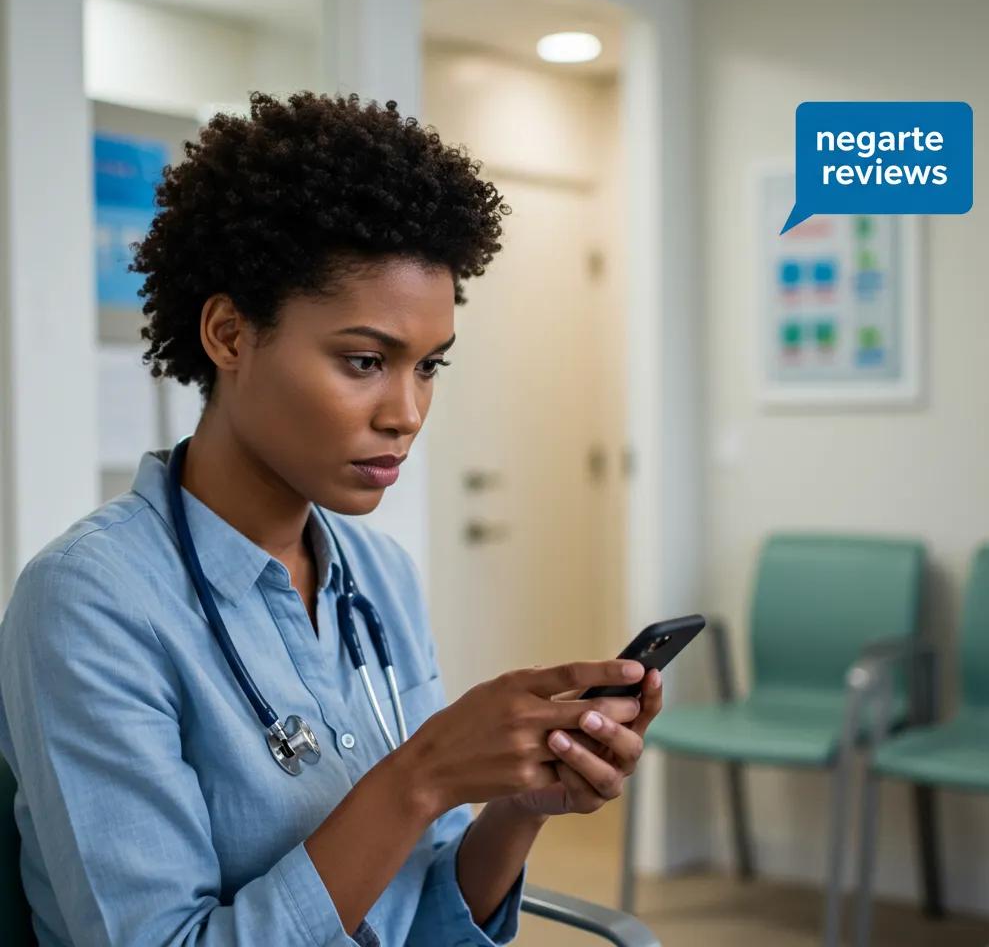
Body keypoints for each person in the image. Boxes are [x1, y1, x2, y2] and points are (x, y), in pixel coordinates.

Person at [0, 91, 663, 946]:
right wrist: (420, 776)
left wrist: (517, 811)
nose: (407, 412)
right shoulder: (90, 603)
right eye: (363, 360)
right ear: (230, 335)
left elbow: (422, 920)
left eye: (429, 366)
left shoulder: (378, 577)